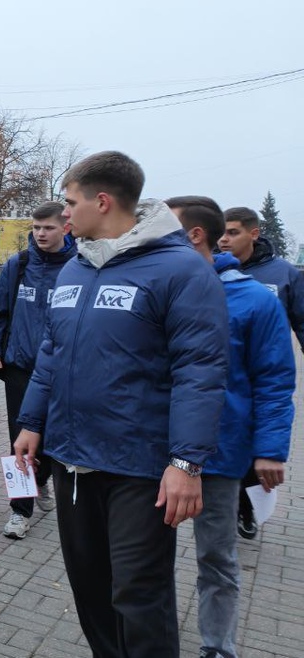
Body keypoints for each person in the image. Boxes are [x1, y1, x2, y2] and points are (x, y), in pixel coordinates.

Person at [13, 151, 229, 658]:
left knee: (137, 597)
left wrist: (186, 462)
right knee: (90, 592)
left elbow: (200, 371)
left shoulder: (179, 270)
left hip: (139, 470)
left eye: (70, 203)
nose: (64, 214)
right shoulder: (75, 268)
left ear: (102, 201)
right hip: (71, 461)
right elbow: (52, 351)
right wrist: (30, 420)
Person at [166, 195, 295, 658]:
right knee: (144, 560)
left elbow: (275, 380)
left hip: (218, 455)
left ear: (194, 234)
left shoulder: (254, 299)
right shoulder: (158, 286)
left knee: (216, 559)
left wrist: (270, 449)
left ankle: (217, 648)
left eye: (168, 227)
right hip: (150, 451)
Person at [0, 201, 76, 540]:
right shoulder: (18, 266)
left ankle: (42, 478)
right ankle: (20, 511)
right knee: (19, 440)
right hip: (21, 369)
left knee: (51, 440)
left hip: (64, 372)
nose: (40, 234)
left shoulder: (80, 267)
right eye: (35, 228)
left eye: (47, 228)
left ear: (66, 227)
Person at [217, 206, 304, 540]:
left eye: (233, 232)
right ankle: (233, 507)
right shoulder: (211, 272)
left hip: (264, 379)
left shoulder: (282, 273)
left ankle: (248, 506)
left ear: (254, 234)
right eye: (222, 232)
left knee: (257, 450)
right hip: (226, 381)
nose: (224, 239)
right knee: (228, 450)